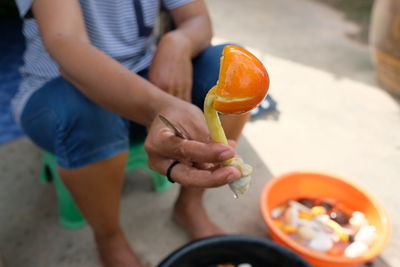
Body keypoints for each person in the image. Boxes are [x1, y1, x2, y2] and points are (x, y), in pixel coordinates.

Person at [12, 0, 250, 266]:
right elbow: (65, 40)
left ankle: (190, 205)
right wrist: (157, 106)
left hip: (146, 74)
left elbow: (196, 17)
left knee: (235, 73)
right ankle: (109, 239)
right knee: (88, 113)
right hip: (59, 90)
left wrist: (177, 42)